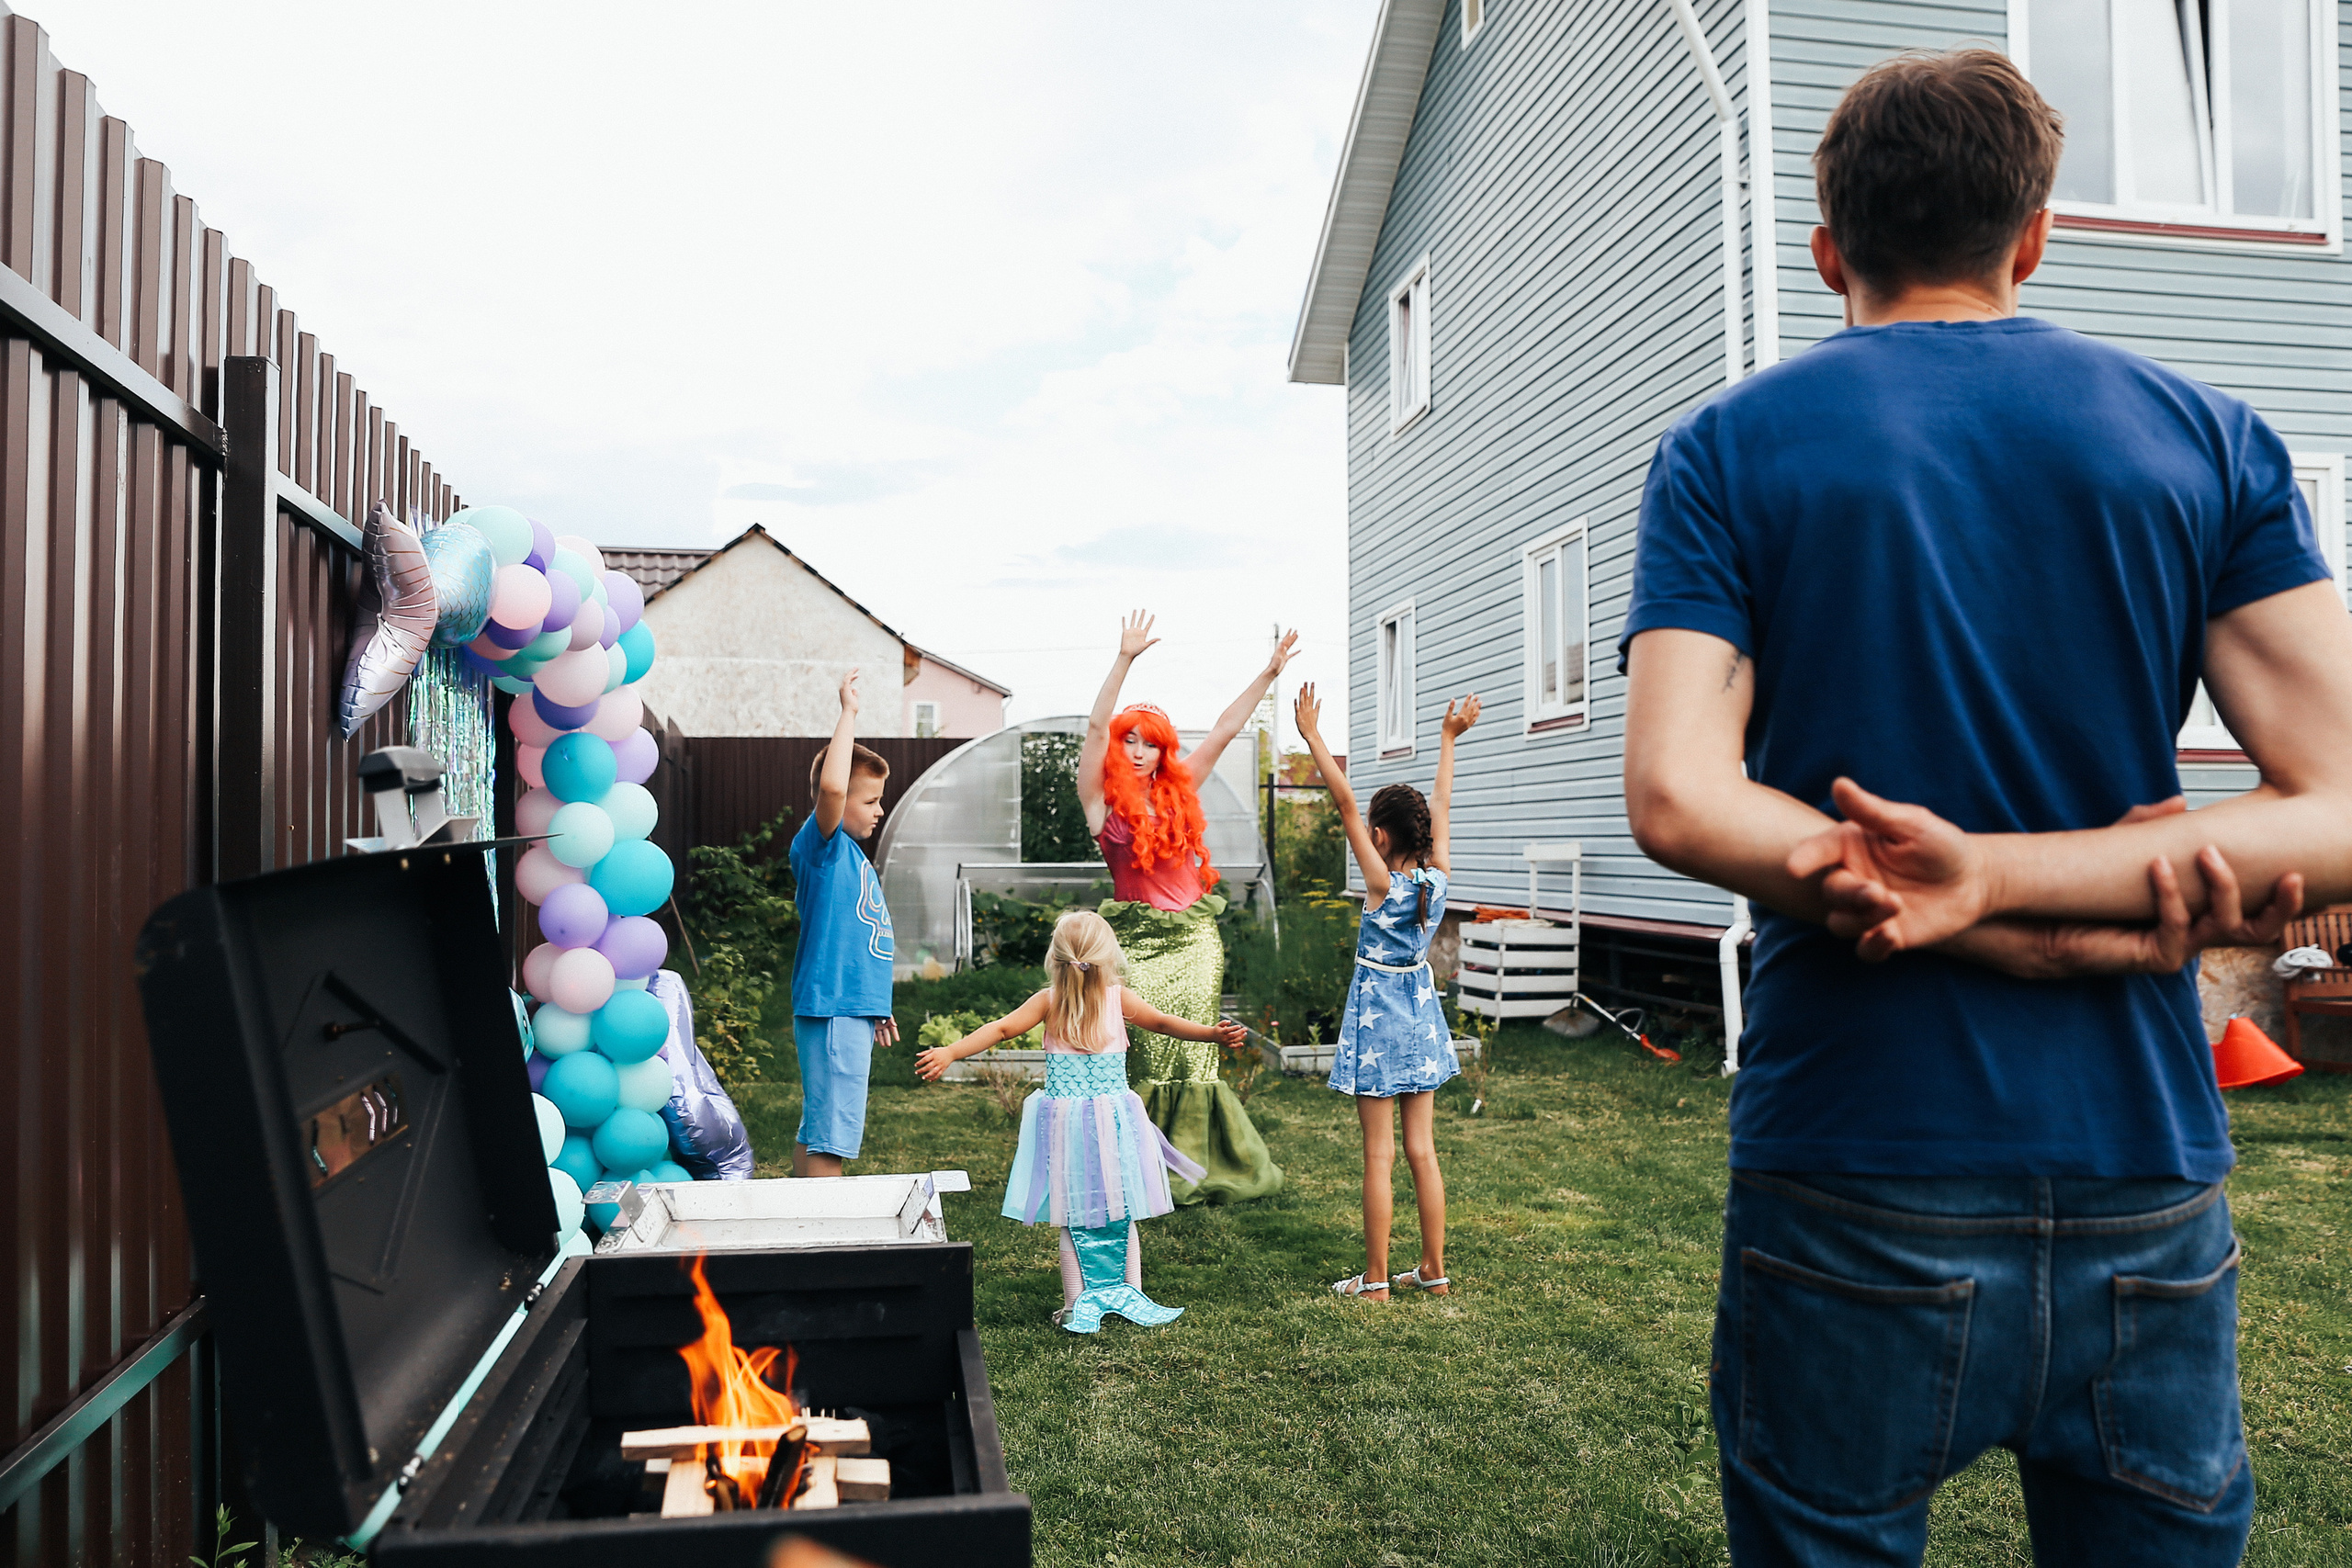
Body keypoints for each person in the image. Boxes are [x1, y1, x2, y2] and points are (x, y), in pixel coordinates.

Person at [1620, 50, 2342, 1566]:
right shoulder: (2205, 436)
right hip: (2140, 1154)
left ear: (1829, 253)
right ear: (2032, 236)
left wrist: (1981, 885)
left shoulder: (1727, 450)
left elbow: (1681, 796)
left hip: (1856, 1150)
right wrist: (2076, 883)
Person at [914, 909, 1240, 1332]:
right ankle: (1128, 1291)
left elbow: (999, 1030)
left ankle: (1077, 1302)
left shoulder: (1048, 1000)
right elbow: (1163, 1023)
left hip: (1067, 1126)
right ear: (1108, 957)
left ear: (1057, 958)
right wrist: (1210, 1034)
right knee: (1121, 1206)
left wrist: (951, 1051)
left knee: (1074, 1210)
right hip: (1115, 1122)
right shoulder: (1115, 997)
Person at [1076, 611, 1295, 1203]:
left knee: (1196, 1055)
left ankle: (1195, 1166)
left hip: (1196, 942)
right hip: (1137, 946)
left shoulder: (1179, 791)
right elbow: (1095, 728)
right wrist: (1124, 659)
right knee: (1144, 1050)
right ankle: (1141, 1169)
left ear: (1165, 749)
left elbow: (1224, 729)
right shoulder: (1101, 804)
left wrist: (1269, 672)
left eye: (1153, 742)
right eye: (1132, 740)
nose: (1140, 750)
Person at [1295, 682, 1478, 1302]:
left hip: (1378, 1022)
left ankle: (1375, 1280)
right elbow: (1444, 805)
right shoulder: (1437, 878)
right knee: (1422, 1149)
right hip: (1422, 1016)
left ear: (1379, 836)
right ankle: (1432, 1268)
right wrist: (1449, 739)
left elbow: (1344, 803)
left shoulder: (1381, 885)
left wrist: (1314, 736)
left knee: (1380, 1154)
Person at [786, 670, 899, 1178]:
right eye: (871, 800)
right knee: (830, 1141)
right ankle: (819, 1244)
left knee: (817, 1131)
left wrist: (874, 1003)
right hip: (833, 1009)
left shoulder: (850, 856)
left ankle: (796, 1233)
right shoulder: (824, 848)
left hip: (846, 1007)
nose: (880, 810)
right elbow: (832, 785)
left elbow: (859, 941)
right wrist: (849, 712)